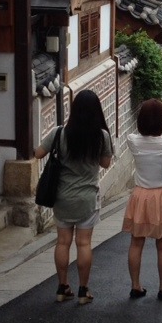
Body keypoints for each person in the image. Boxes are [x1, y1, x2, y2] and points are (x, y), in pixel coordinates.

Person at [35, 89, 113, 305]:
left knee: (63, 242)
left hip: (62, 197)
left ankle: (62, 287)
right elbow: (106, 163)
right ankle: (83, 290)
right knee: (84, 244)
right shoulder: (101, 136)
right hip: (87, 198)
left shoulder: (60, 133)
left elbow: (38, 153)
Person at [122, 99, 162, 301]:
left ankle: (135, 286)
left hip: (141, 195)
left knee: (136, 243)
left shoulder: (133, 140)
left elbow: (132, 134)